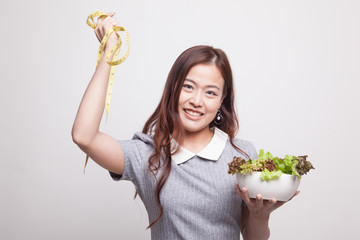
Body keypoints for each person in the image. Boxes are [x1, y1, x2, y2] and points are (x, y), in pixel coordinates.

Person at [72, 12, 298, 240]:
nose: (197, 101)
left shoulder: (241, 154)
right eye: (188, 87)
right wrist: (108, 54)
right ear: (173, 89)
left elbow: (252, 237)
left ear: (222, 100)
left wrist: (261, 217)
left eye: (210, 92)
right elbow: (84, 136)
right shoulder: (147, 154)